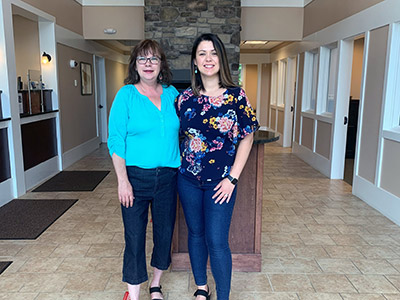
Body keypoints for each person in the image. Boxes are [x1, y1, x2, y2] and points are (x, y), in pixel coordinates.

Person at [175, 33, 259, 300]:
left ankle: (223, 295)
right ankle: (202, 288)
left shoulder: (236, 97)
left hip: (221, 183)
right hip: (187, 179)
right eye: (202, 53)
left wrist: (232, 179)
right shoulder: (184, 98)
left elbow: (247, 137)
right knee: (196, 234)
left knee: (217, 241)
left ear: (221, 60)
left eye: (213, 53)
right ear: (195, 62)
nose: (208, 59)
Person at [108, 39, 180, 300]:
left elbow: (191, 125)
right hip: (135, 178)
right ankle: (134, 294)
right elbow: (116, 140)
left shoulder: (173, 95)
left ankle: (156, 285)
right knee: (135, 238)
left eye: (154, 59)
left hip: (169, 178)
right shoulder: (125, 95)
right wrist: (122, 180)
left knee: (164, 235)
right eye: (142, 58)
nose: (148, 64)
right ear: (135, 64)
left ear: (161, 64)